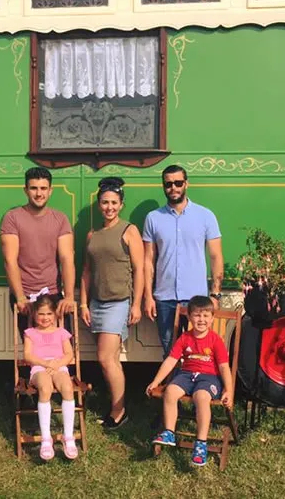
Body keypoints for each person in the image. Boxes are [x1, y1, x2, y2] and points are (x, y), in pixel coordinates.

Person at [79, 177, 144, 430]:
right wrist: (84, 304)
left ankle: (119, 411)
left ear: (121, 204)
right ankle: (116, 407)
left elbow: (139, 270)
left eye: (114, 203)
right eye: (105, 202)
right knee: (112, 359)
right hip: (97, 302)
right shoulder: (92, 235)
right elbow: (86, 271)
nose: (109, 207)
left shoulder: (129, 231)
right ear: (99, 205)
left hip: (119, 302)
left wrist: (136, 304)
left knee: (105, 358)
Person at [142, 164, 224, 357]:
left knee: (198, 352)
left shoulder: (205, 216)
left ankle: (197, 387)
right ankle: (173, 386)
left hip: (196, 298)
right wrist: (148, 296)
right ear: (163, 186)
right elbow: (148, 260)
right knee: (170, 352)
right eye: (168, 184)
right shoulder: (153, 218)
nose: (173, 188)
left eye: (178, 183)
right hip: (165, 298)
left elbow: (216, 256)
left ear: (186, 184)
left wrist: (216, 294)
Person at [145, 295, 233, 467]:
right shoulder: (185, 338)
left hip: (209, 378)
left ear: (212, 318)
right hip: (186, 375)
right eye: (197, 315)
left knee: (201, 397)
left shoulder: (216, 340)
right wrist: (156, 382)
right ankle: (169, 431)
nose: (201, 320)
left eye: (206, 315)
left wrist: (228, 390)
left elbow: (223, 367)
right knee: (170, 391)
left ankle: (201, 444)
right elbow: (171, 361)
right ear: (190, 317)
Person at [0, 166, 76, 334]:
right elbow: (10, 260)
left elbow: (67, 258)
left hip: (53, 294)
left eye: (43, 188)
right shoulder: (12, 218)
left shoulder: (60, 219)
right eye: (34, 188)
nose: (39, 193)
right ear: (26, 190)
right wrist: (20, 296)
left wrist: (69, 296)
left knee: (63, 348)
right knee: (33, 351)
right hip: (25, 297)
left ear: (50, 191)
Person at [22, 296, 78, 461]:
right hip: (39, 367)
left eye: (48, 313)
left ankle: (68, 436)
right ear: (34, 315)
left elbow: (69, 354)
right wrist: (45, 363)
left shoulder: (61, 332)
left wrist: (57, 364)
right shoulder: (30, 333)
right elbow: (28, 355)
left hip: (58, 366)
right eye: (41, 314)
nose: (45, 317)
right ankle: (46, 438)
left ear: (55, 315)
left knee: (67, 388)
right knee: (45, 389)